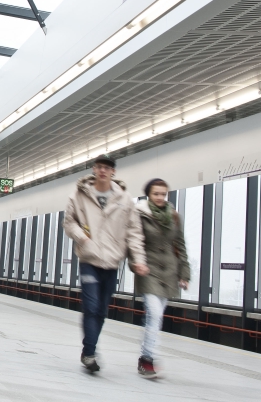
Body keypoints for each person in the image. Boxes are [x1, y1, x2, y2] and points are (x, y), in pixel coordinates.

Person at [63, 155, 148, 373]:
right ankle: (90, 353)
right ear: (94, 169)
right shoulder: (79, 194)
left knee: (101, 310)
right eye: (99, 167)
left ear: (113, 172)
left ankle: (88, 350)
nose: (103, 171)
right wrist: (83, 238)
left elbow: (134, 232)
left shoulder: (125, 199)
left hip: (112, 262)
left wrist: (138, 259)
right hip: (89, 259)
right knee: (91, 307)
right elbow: (69, 221)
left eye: (107, 168)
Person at [134, 178, 190, 379]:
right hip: (148, 270)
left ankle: (145, 357)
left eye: (163, 194)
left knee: (156, 317)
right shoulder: (140, 214)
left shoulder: (174, 217)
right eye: (156, 194)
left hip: (169, 272)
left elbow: (180, 245)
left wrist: (184, 273)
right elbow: (134, 241)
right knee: (154, 314)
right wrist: (136, 262)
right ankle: (148, 359)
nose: (160, 198)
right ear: (148, 194)